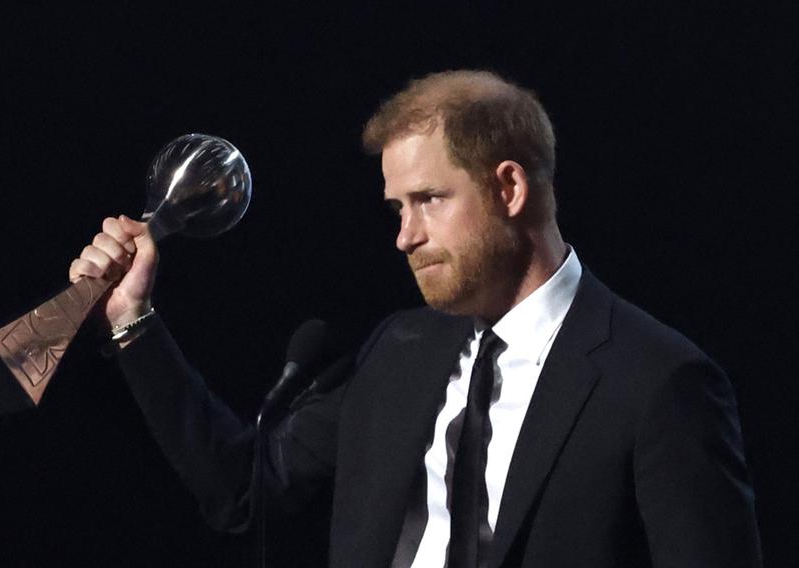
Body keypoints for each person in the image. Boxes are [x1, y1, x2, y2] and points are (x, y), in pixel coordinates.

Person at [69, 70, 761, 567]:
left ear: (510, 187)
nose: (405, 236)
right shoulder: (399, 350)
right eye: (397, 208)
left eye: (428, 199)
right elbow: (244, 493)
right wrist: (134, 320)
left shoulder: (660, 382)